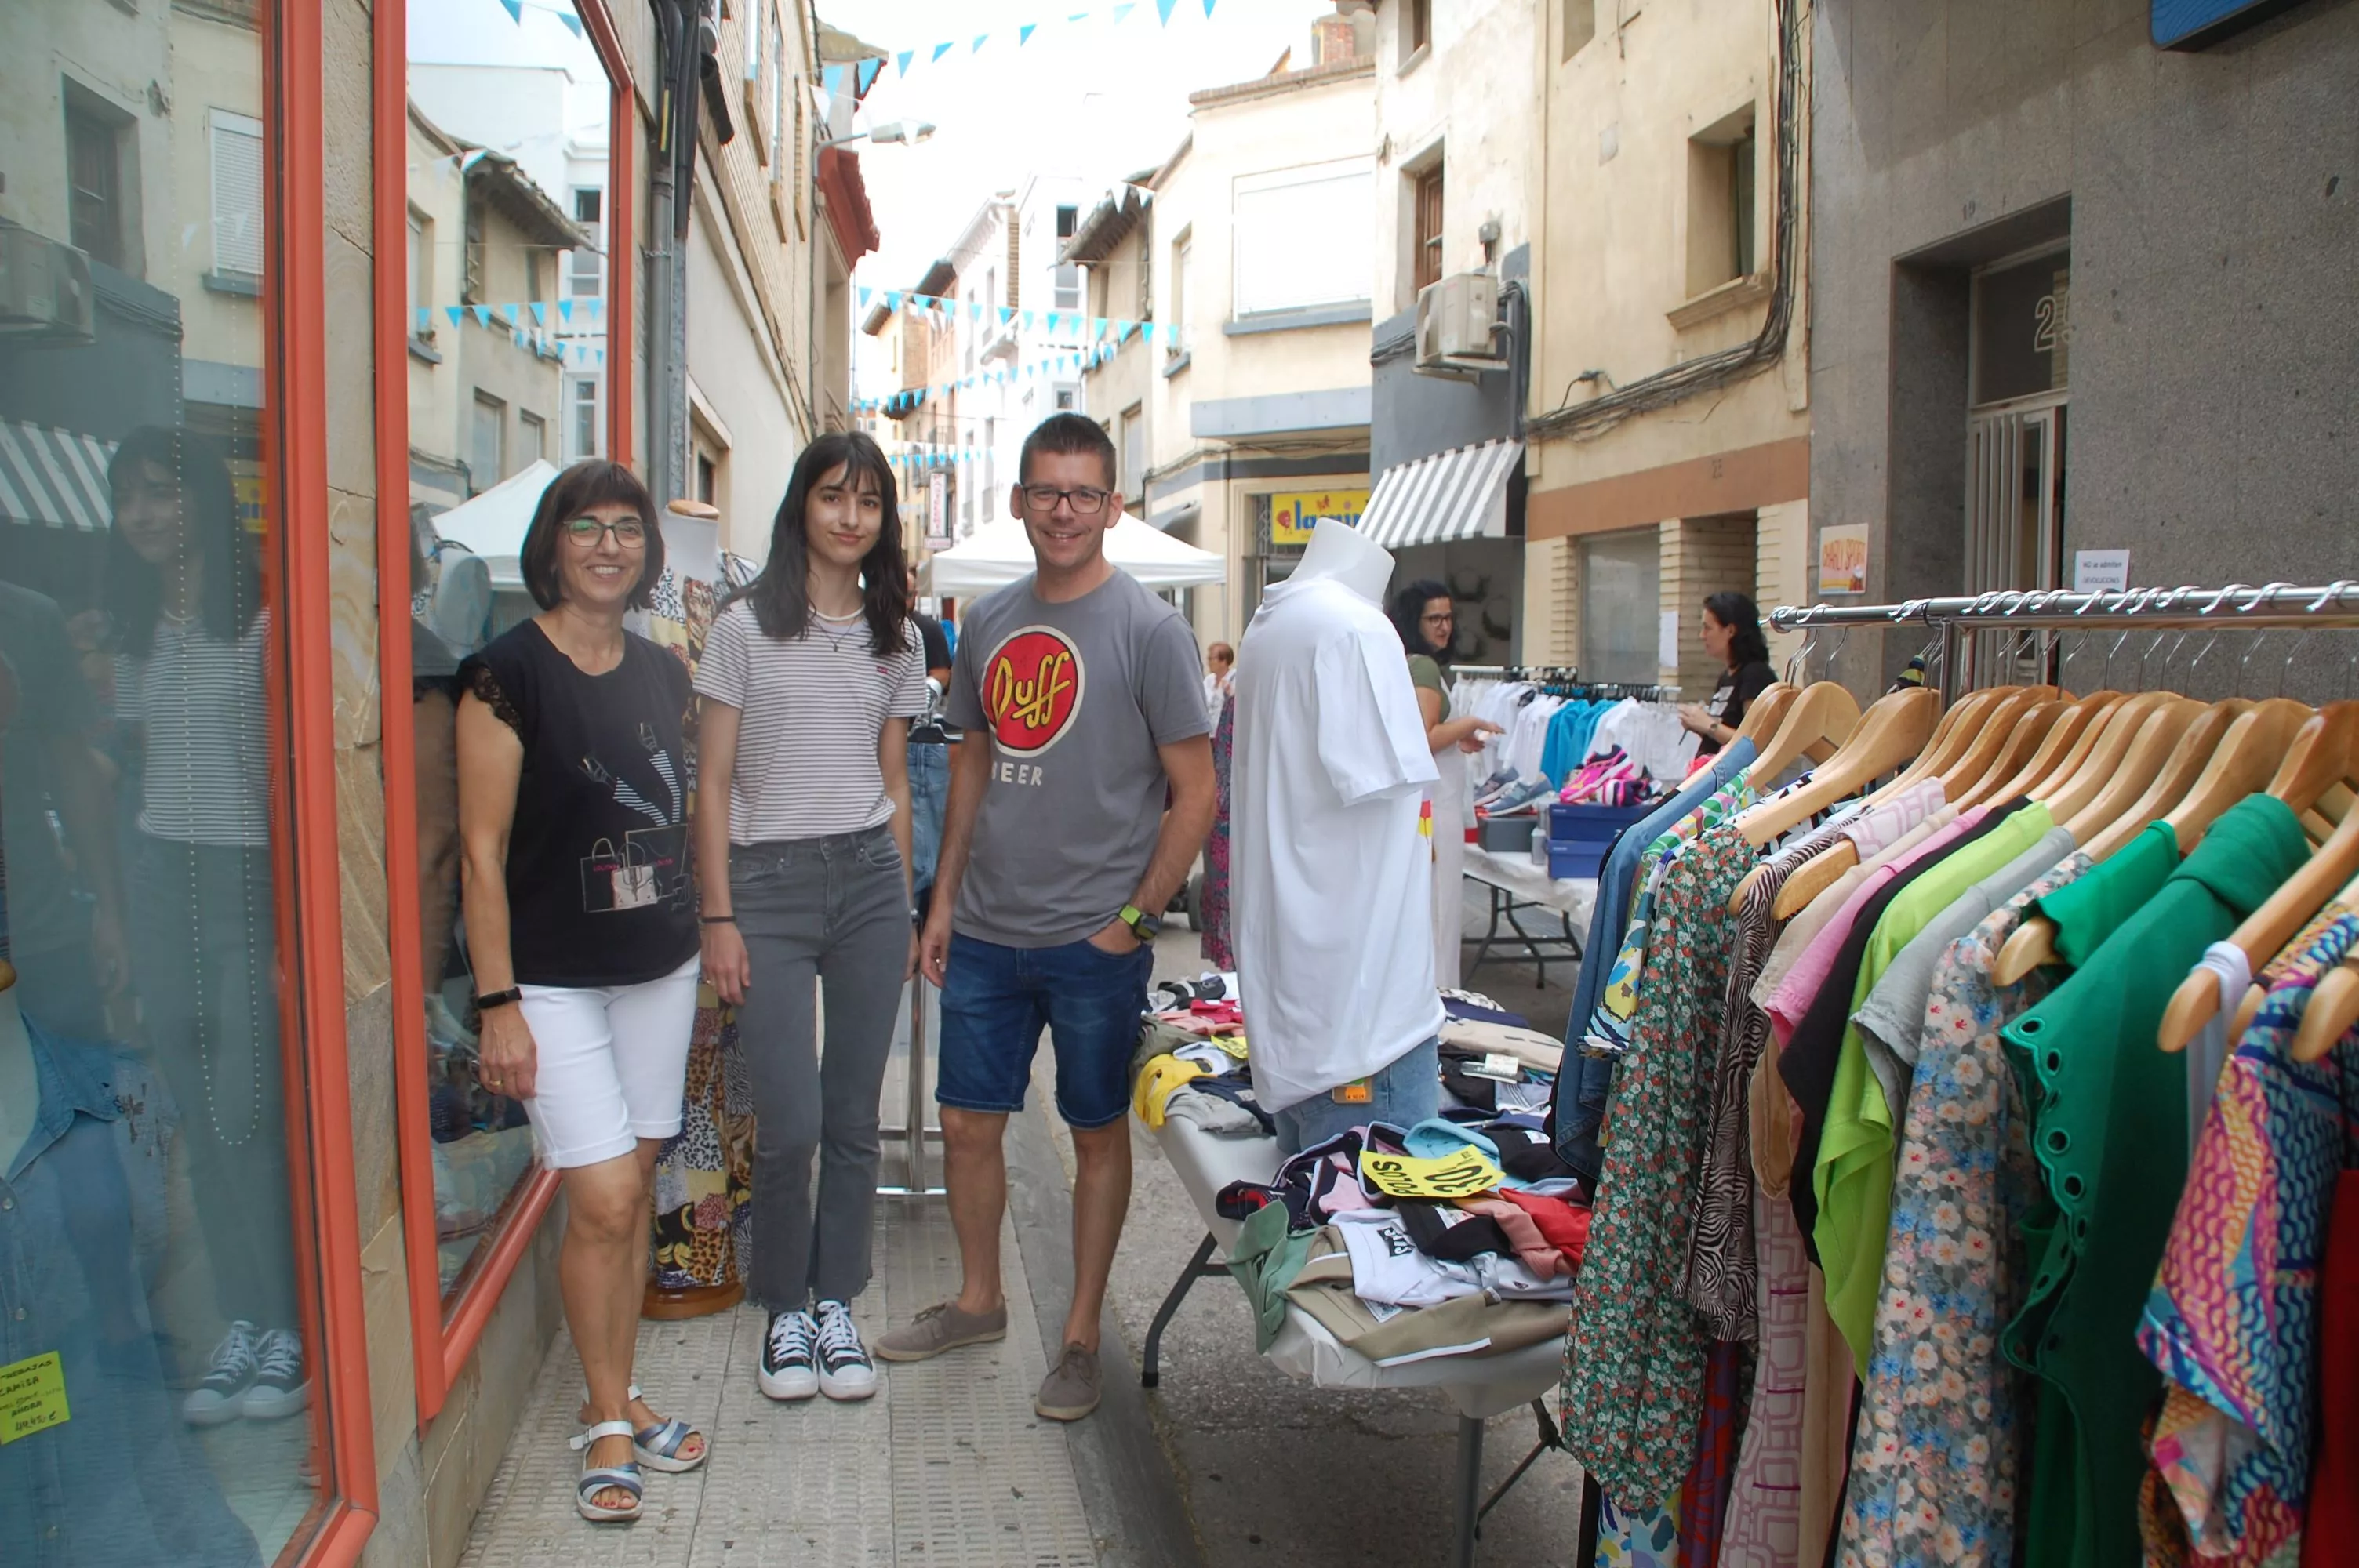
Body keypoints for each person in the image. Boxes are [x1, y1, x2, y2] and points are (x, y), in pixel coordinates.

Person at [876, 414, 1216, 1424]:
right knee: (965, 1125)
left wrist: (1134, 919)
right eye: (1043, 491)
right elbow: (970, 760)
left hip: (1089, 940)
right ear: (1019, 500)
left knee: (1095, 1133)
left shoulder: (1151, 631)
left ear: (1110, 506)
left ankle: (1077, 1338)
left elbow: (1194, 792)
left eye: (1081, 493)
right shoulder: (984, 620)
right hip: (982, 928)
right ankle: (979, 1298)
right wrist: (939, 899)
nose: (1061, 510)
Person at [456, 459, 708, 1523]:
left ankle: (622, 1391)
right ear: (552, 545)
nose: (609, 545)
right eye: (587, 527)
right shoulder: (503, 674)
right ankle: (606, 1417)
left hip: (661, 967)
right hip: (551, 983)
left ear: (647, 552)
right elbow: (478, 850)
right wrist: (496, 1002)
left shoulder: (664, 673)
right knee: (600, 1197)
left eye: (627, 530)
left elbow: (679, 817)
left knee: (630, 1193)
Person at [694, 432, 925, 1407]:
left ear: (882, 521)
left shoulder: (898, 639)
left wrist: (906, 906)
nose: (849, 517)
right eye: (833, 497)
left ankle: (838, 1302)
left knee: (852, 1117)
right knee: (788, 1121)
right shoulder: (743, 628)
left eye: (867, 503)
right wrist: (717, 916)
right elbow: (708, 784)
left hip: (869, 881)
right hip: (769, 888)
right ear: (802, 506)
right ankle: (782, 1305)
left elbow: (894, 784)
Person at [106, 427, 310, 1432]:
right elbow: (131, 767)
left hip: (243, 877)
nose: (145, 513)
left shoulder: (262, 615)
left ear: (202, 502)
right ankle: (244, 1318)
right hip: (159, 871)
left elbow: (287, 781)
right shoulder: (133, 625)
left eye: (162, 491)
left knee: (247, 1111)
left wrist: (287, 927)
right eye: (129, 497)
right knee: (197, 1114)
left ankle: (290, 1324)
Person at [1387, 580, 1500, 989]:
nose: (1444, 626)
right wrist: (1469, 723)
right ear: (1414, 622)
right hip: (1434, 808)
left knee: (1435, 909)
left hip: (1429, 805)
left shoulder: (1411, 664)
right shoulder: (1423, 667)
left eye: (1449, 617)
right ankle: (1441, 1003)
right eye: (1433, 618)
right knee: (1439, 911)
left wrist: (1457, 736)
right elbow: (1422, 737)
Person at [907, 562, 955, 914]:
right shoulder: (868, 626)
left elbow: (943, 670)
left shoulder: (927, 630)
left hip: (924, 740)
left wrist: (927, 691)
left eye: (910, 592)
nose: (904, 599)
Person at [1678, 590, 1776, 755]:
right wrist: (1698, 725)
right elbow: (1725, 733)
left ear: (1730, 630)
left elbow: (1755, 741)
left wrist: (1709, 725)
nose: (1702, 636)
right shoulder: (1727, 676)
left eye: (1707, 628)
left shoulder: (1755, 675)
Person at [1201, 640, 1235, 721]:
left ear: (1223, 661)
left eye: (1211, 659)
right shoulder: (1208, 680)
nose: (1208, 663)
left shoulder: (1235, 680)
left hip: (1225, 731)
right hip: (1209, 730)